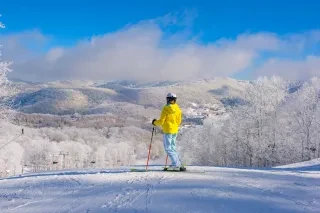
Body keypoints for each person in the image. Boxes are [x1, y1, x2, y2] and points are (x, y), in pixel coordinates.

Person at [152, 93, 184, 169]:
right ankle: (178, 163)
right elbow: (179, 121)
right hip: (175, 130)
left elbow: (161, 121)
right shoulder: (177, 108)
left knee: (168, 148)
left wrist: (154, 122)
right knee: (173, 147)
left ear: (168, 99)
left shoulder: (166, 108)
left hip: (168, 130)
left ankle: (175, 164)